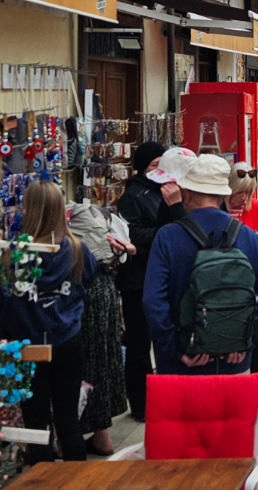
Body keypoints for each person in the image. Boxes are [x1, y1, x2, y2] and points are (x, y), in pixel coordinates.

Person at [0, 180, 96, 463]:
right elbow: (89, 283)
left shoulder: (11, 257)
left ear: (27, 210)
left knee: (37, 425)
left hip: (28, 348)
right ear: (61, 209)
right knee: (69, 422)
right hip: (68, 341)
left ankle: (43, 480)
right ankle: (77, 483)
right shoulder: (77, 249)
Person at [143, 154, 258, 375]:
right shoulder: (246, 236)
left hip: (181, 365)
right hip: (233, 363)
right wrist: (246, 339)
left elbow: (153, 301)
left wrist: (176, 348)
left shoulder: (168, 236)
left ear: (187, 192)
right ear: (222, 195)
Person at [68, 200, 134, 456]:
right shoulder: (101, 215)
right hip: (105, 285)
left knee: (87, 362)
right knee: (105, 357)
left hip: (84, 288)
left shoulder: (72, 218)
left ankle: (74, 435)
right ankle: (102, 435)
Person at [115, 141, 166, 423]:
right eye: (154, 164)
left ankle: (159, 398)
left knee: (159, 341)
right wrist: (163, 235)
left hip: (158, 276)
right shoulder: (133, 195)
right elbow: (130, 234)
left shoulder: (163, 191)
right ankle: (140, 404)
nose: (159, 170)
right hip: (137, 281)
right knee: (138, 345)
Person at [227, 161, 258, 385]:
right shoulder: (221, 211)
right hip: (227, 287)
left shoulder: (256, 208)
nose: (244, 198)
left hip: (251, 285)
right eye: (240, 193)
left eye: (248, 192)